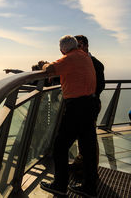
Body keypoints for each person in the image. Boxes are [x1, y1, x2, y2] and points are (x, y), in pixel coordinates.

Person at [40, 35, 98, 197]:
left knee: (60, 146)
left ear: (62, 50)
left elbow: (49, 69)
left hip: (77, 108)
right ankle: (89, 187)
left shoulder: (69, 58)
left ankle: (59, 185)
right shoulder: (85, 56)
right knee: (88, 149)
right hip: (90, 105)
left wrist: (44, 64)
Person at [70, 35, 105, 175]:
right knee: (82, 136)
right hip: (81, 105)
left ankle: (91, 170)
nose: (75, 50)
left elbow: (100, 85)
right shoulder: (77, 62)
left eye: (78, 46)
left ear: (85, 46)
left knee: (89, 138)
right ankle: (80, 162)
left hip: (90, 105)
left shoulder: (96, 64)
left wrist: (87, 98)